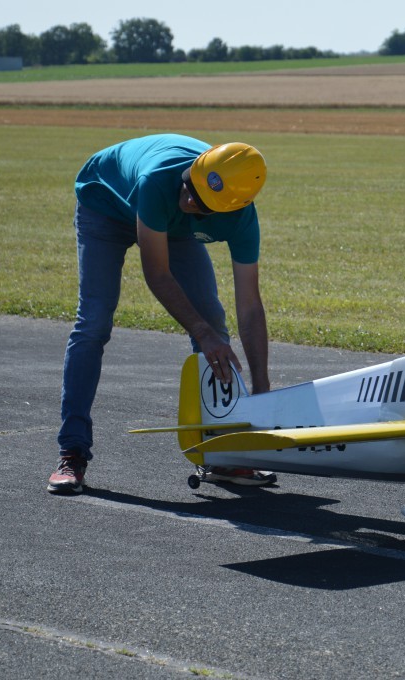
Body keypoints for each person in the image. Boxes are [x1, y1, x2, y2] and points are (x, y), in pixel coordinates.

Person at [47, 134, 275, 494]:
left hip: (171, 224)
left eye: (199, 202)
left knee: (215, 322)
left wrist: (263, 389)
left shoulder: (242, 219)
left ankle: (221, 452)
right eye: (189, 187)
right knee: (94, 322)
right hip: (105, 202)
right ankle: (72, 452)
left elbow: (249, 305)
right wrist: (201, 332)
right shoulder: (159, 179)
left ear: (228, 208)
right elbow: (157, 274)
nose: (188, 199)